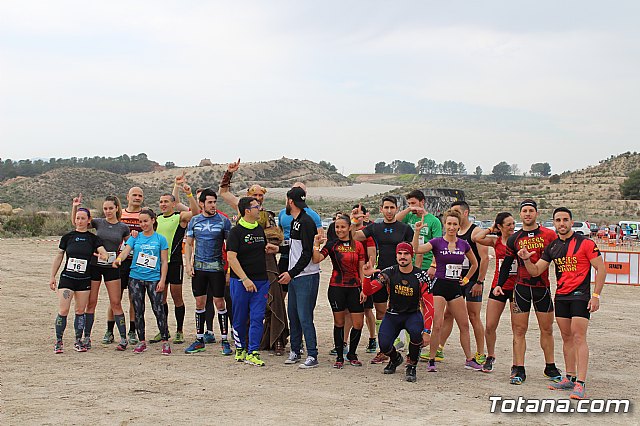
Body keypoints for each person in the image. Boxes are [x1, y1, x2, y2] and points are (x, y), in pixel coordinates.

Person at [518, 207, 606, 400]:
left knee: (578, 336)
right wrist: (526, 259)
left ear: (571, 221)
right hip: (561, 296)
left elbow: (601, 268)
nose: (562, 223)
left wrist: (596, 295)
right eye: (558, 220)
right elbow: (535, 271)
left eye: (565, 220)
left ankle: (580, 383)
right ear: (554, 223)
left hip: (580, 296)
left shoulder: (585, 243)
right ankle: (570, 377)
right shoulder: (553, 247)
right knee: (566, 337)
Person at [219, 159, 289, 355]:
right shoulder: (244, 210)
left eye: (260, 195)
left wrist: (266, 239)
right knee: (244, 304)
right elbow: (224, 192)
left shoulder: (266, 215)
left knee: (274, 301)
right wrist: (229, 173)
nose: (258, 198)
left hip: (267, 261)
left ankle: (277, 340)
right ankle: (247, 344)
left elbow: (277, 237)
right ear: (248, 198)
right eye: (255, 195)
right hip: (245, 261)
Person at [496, 199, 561, 385]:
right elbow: (507, 264)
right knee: (519, 329)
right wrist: (500, 284)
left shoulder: (549, 235)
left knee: (547, 329)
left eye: (531, 210)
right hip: (521, 288)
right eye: (524, 210)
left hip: (543, 288)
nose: (527, 214)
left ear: (536, 213)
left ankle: (550, 367)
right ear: (520, 214)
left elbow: (559, 260)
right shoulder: (514, 238)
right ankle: (518, 368)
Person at [412, 209, 480, 372]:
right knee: (438, 324)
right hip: (439, 286)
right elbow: (417, 250)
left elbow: (475, 263)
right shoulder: (437, 242)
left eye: (454, 224)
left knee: (464, 324)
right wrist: (417, 232)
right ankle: (432, 359)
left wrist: (467, 278)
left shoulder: (463, 244)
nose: (451, 227)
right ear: (444, 224)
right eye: (449, 223)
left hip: (455, 288)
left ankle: (469, 359)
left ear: (458, 226)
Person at [352, 195, 414, 364]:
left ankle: (411, 352)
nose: (388, 211)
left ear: (396, 209)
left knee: (405, 312)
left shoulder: (405, 229)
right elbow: (355, 237)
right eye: (385, 208)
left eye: (392, 208)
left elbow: (413, 250)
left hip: (400, 276)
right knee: (381, 313)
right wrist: (354, 220)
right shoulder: (375, 227)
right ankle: (384, 350)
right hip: (381, 275)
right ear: (381, 209)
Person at [361, 242, 434, 382]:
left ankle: (411, 365)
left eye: (406, 254)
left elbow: (429, 305)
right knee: (384, 344)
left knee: (415, 334)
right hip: (393, 314)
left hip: (412, 314)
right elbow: (368, 291)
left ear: (411, 256)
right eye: (400, 254)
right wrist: (367, 276)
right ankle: (395, 359)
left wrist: (427, 331)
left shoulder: (421, 276)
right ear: (396, 256)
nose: (403, 257)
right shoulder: (389, 273)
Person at [71, 194, 130, 350]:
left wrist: (122, 257)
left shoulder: (123, 227)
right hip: (95, 266)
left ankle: (123, 338)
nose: (108, 211)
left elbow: (130, 245)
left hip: (112, 268)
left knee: (115, 302)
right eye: (105, 208)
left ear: (117, 208)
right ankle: (87, 337)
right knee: (91, 303)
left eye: (111, 208)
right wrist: (75, 207)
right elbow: (76, 223)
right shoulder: (98, 222)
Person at [227, 197, 280, 366]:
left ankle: (253, 352)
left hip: (261, 281)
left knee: (258, 317)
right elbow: (231, 258)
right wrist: (244, 279)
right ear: (247, 211)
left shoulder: (258, 228)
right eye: (256, 207)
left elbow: (259, 250)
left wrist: (270, 249)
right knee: (240, 317)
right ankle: (240, 348)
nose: (260, 209)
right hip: (241, 282)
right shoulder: (236, 232)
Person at [50, 207, 109, 353]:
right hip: (67, 278)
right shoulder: (68, 237)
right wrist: (52, 276)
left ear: (89, 220)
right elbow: (59, 256)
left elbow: (103, 252)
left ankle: (78, 340)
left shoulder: (92, 238)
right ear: (74, 219)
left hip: (84, 280)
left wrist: (103, 255)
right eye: (78, 218)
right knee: (63, 310)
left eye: (83, 218)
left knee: (80, 311)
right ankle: (59, 341)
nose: (80, 221)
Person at [113, 208, 171, 355]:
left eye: (145, 221)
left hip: (153, 279)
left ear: (153, 220)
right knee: (138, 310)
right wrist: (119, 259)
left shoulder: (160, 239)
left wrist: (162, 280)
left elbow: (164, 262)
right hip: (136, 278)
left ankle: (165, 341)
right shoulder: (135, 238)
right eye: (140, 222)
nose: (143, 224)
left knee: (158, 310)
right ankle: (141, 341)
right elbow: (126, 252)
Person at [312, 215, 367, 368]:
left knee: (358, 323)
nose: (340, 230)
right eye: (337, 227)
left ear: (349, 227)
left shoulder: (358, 245)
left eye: (343, 227)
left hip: (355, 287)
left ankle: (352, 354)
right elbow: (316, 259)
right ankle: (340, 356)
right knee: (339, 322)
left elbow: (361, 267)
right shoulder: (332, 244)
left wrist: (364, 288)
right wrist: (316, 244)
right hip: (337, 287)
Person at [184, 188, 233, 355]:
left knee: (219, 303)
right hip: (199, 269)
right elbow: (189, 244)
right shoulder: (194, 221)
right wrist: (188, 265)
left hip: (217, 268)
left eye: (214, 202)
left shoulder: (224, 221)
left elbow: (230, 247)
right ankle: (199, 339)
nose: (213, 205)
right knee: (199, 303)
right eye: (210, 202)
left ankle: (225, 340)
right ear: (201, 204)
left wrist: (229, 270)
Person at [438, 201, 488, 366]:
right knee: (448, 314)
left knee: (473, 317)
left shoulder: (476, 232)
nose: (453, 215)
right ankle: (439, 347)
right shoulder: (453, 233)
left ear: (465, 213)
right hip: (455, 280)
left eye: (456, 212)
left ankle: (480, 352)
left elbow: (484, 259)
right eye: (451, 213)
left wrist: (479, 281)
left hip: (473, 281)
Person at [395, 189, 442, 359]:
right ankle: (403, 338)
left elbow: (437, 244)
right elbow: (395, 220)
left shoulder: (434, 221)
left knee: (424, 304)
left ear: (422, 202)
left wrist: (434, 266)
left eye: (414, 203)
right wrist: (408, 210)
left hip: (427, 266)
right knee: (404, 300)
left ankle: (423, 337)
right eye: (409, 204)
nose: (412, 207)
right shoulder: (409, 217)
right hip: (408, 266)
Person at [152, 183, 200, 345]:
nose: (163, 204)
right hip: (159, 264)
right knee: (161, 299)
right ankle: (163, 329)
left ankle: (179, 331)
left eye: (166, 201)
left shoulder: (179, 217)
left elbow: (195, 212)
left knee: (177, 297)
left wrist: (188, 194)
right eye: (161, 201)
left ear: (173, 204)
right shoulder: (156, 219)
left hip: (175, 264)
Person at [279, 187, 321, 368]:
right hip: (297, 275)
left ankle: (312, 354)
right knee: (293, 315)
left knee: (304, 316)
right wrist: (278, 249)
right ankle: (295, 350)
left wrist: (291, 273)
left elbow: (306, 254)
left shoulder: (306, 222)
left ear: (289, 201)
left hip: (306, 276)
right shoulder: (297, 220)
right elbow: (295, 248)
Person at [472, 212, 517, 373]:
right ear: (500, 226)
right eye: (508, 225)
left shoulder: (518, 241)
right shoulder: (495, 241)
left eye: (513, 223)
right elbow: (476, 238)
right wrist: (491, 228)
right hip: (498, 286)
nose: (512, 227)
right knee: (490, 325)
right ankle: (490, 356)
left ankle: (517, 362)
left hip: (516, 287)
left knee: (516, 327)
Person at [105, 186, 144, 345]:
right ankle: (109, 330)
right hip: (119, 261)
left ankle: (132, 331)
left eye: (140, 195)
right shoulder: (120, 215)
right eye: (134, 195)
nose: (137, 197)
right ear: (127, 197)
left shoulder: (145, 215)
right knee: (115, 298)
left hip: (137, 262)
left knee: (134, 298)